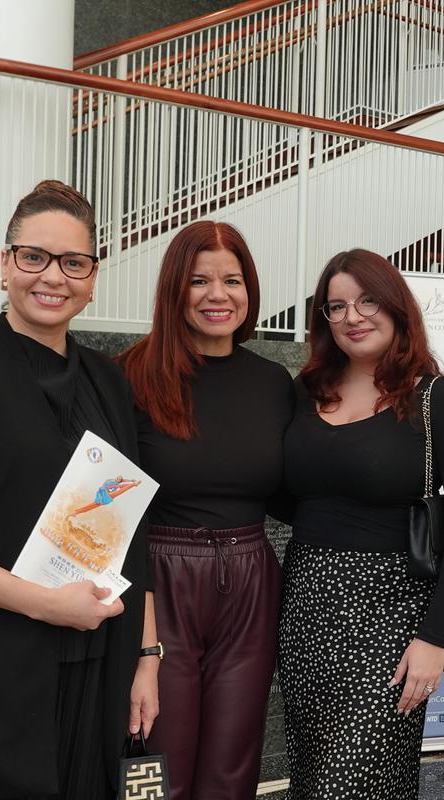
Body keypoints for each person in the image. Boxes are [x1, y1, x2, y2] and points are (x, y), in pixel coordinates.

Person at [278, 249, 444, 799]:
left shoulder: (435, 397)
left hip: (390, 614)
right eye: (337, 306)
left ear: (396, 307)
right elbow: (286, 499)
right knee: (313, 774)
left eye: (368, 299)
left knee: (350, 781)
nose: (353, 315)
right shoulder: (304, 394)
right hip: (306, 604)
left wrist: (433, 636)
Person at [0, 180, 158, 798]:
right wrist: (46, 604)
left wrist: (147, 658)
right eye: (34, 257)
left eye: (73, 262)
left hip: (102, 656)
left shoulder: (110, 380)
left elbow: (134, 533)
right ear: (5, 264)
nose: (53, 277)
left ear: (92, 276)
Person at [117, 221, 294, 799]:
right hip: (159, 579)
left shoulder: (272, 382)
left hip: (249, 577)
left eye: (232, 280)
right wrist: (141, 635)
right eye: (199, 280)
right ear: (174, 288)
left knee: (232, 766)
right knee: (155, 757)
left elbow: (295, 491)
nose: (218, 295)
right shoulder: (130, 376)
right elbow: (109, 510)